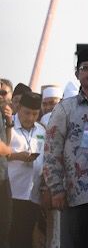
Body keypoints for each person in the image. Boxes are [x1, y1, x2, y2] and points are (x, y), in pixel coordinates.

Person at [43, 45, 88, 247]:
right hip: (76, 194)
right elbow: (51, 151)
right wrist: (56, 189)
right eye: (86, 68)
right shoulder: (65, 108)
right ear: (77, 74)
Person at [7, 92, 45, 248]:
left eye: (35, 114)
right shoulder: (7, 126)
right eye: (27, 113)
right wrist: (17, 156)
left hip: (32, 195)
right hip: (10, 193)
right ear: (19, 108)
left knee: (26, 238)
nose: (30, 118)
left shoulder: (41, 131)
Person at [0, 91, 12, 248]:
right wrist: (11, 152)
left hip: (3, 176)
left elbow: (7, 143)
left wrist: (9, 122)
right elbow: (5, 149)